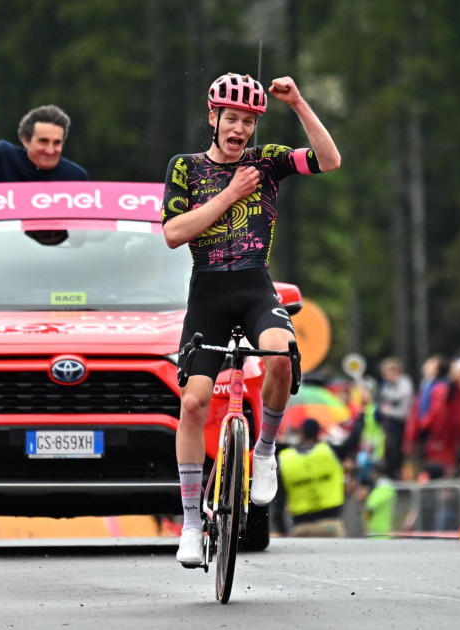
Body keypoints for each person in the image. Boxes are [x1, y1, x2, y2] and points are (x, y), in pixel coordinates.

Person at [162, 72, 340, 565]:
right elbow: (174, 233)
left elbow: (329, 160)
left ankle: (263, 451)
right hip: (208, 292)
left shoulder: (267, 162)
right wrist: (229, 195)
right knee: (195, 404)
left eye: (248, 120)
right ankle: (193, 523)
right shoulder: (187, 168)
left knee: (282, 357)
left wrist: (300, 103)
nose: (239, 128)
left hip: (255, 284)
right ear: (213, 117)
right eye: (231, 118)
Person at [0, 52, 87, 182]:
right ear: (25, 140)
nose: (50, 150)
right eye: (43, 141)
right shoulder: (3, 160)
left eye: (57, 143)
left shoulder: (75, 178)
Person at [278, 417, 362, 537]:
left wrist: (283, 531)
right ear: (318, 433)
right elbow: (352, 441)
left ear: (302, 433)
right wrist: (361, 417)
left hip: (301, 527)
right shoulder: (330, 451)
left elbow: (279, 503)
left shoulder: (286, 458)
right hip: (331, 525)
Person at [377, 357, 413, 479]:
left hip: (401, 428)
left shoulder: (404, 386)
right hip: (389, 428)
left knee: (397, 457)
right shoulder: (388, 386)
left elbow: (404, 412)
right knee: (388, 457)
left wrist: (388, 411)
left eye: (387, 373)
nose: (385, 377)